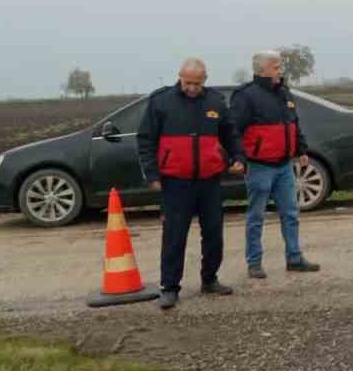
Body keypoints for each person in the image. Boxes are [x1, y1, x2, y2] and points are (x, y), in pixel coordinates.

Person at [137, 58, 245, 309]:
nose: (192, 88)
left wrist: (239, 157)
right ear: (180, 77)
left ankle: (210, 279)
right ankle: (170, 287)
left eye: (197, 83)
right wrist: (152, 175)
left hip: (210, 181)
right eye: (187, 83)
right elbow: (146, 140)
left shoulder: (215, 102)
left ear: (205, 80)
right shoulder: (161, 101)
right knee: (174, 236)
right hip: (175, 182)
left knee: (214, 234)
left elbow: (230, 133)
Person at [232, 50, 321, 278]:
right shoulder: (245, 96)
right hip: (259, 166)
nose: (279, 70)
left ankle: (294, 258)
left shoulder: (284, 92)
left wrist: (301, 149)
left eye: (279, 66)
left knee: (290, 214)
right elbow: (234, 131)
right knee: (256, 216)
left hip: (284, 166)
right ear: (262, 69)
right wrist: (239, 158)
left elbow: (293, 123)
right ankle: (254, 263)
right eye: (275, 66)